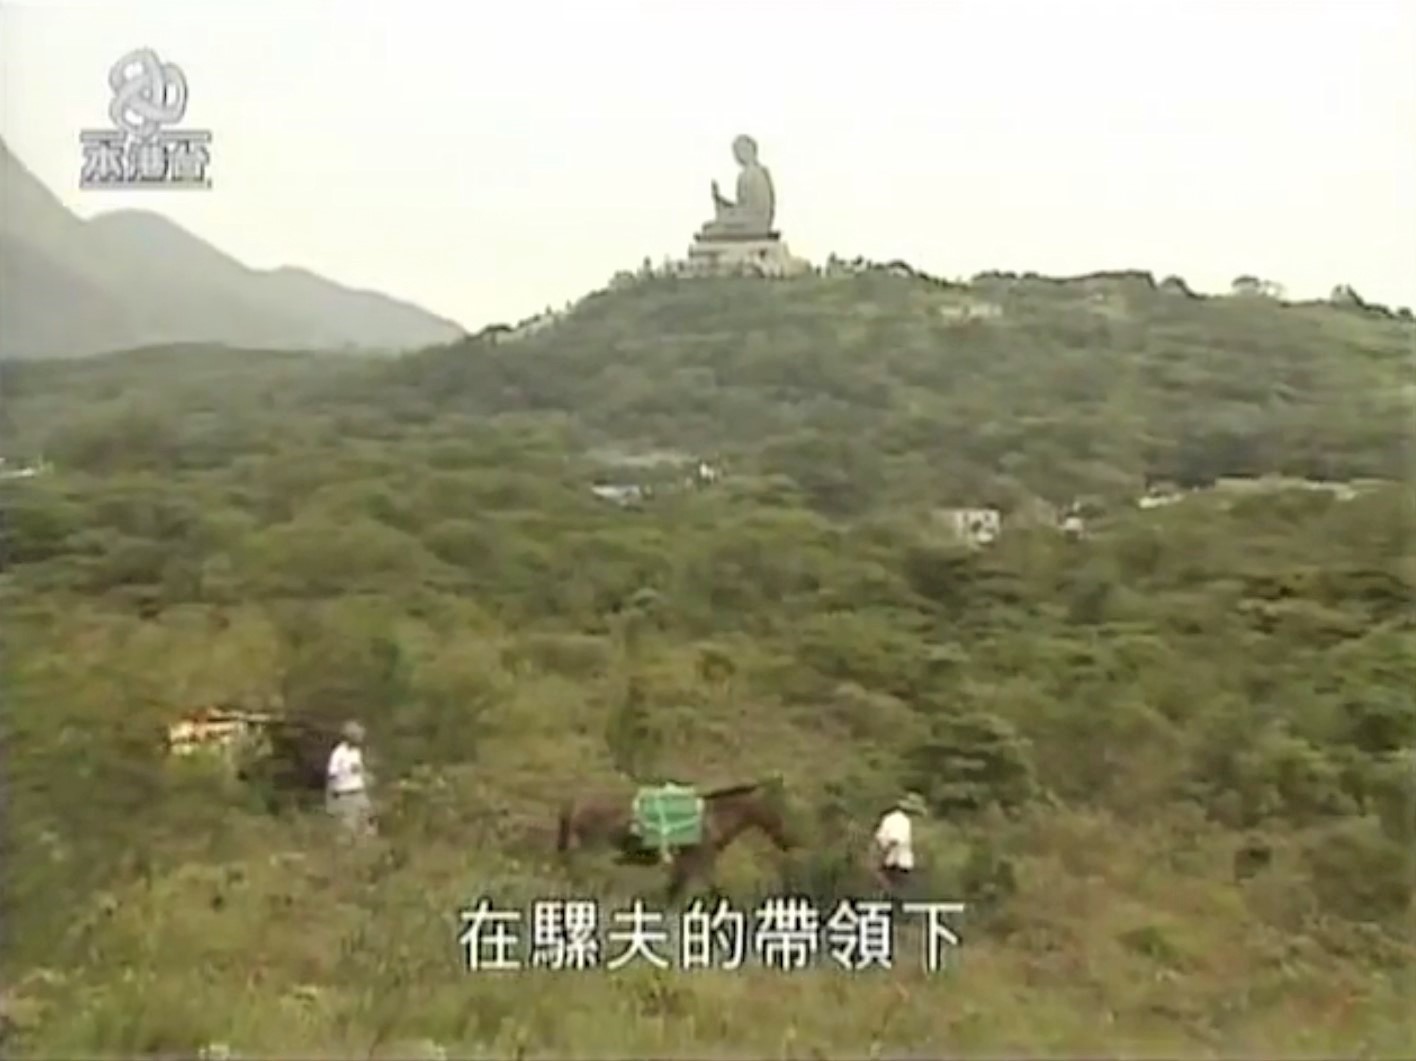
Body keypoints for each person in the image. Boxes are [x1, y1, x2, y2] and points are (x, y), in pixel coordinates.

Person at [872, 791, 927, 901]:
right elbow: (894, 842)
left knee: (888, 897)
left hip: (889, 866)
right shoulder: (903, 821)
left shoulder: (889, 818)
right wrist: (883, 859)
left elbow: (879, 840)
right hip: (897, 867)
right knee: (899, 898)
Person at [325, 720, 375, 838]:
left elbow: (358, 769)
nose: (361, 738)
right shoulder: (339, 754)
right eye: (358, 736)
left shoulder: (356, 752)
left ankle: (364, 845)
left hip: (359, 792)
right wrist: (331, 799)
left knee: (369, 819)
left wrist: (366, 776)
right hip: (345, 795)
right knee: (349, 828)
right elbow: (332, 775)